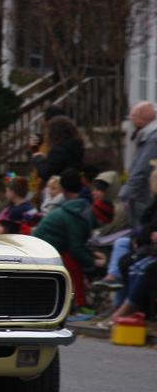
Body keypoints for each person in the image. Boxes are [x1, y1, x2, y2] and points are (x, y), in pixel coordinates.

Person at [32, 168, 106, 308]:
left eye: (54, 188)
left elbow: (76, 243)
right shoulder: (81, 208)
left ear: (62, 188)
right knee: (74, 265)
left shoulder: (73, 207)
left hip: (49, 245)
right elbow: (76, 245)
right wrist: (93, 260)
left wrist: (90, 256)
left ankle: (77, 301)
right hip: (50, 247)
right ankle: (79, 303)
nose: (52, 192)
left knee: (74, 264)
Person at [117, 101, 157, 225]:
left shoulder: (152, 139)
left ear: (143, 118)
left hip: (142, 196)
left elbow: (142, 169)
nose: (131, 120)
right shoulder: (148, 135)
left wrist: (125, 194)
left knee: (138, 228)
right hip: (143, 193)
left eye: (133, 116)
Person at [31, 115, 83, 183]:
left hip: (61, 186)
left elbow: (46, 173)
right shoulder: (77, 144)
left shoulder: (59, 150)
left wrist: (38, 158)